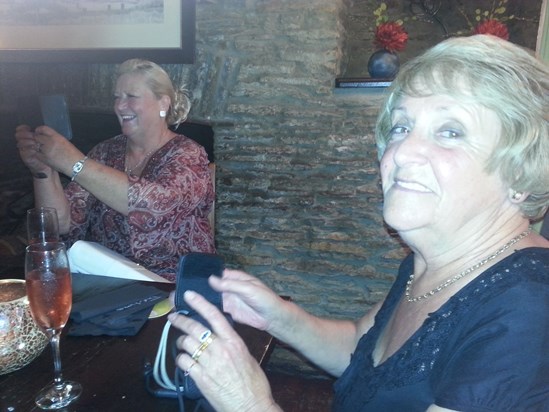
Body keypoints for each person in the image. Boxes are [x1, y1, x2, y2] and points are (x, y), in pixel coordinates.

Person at [168, 34, 549, 411]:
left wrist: (248, 404)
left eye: (450, 132)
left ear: (520, 173)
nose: (402, 152)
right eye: (401, 127)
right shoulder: (431, 261)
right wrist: (278, 317)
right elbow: (362, 349)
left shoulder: (529, 310)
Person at [15, 59, 215, 282]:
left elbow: (155, 208)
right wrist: (43, 170)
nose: (119, 106)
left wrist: (73, 162)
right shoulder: (106, 151)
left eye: (131, 96)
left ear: (163, 103)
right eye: (117, 97)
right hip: (110, 281)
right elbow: (61, 223)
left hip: (176, 283)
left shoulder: (188, 153)